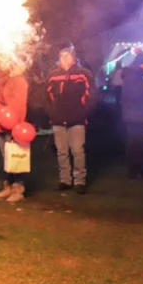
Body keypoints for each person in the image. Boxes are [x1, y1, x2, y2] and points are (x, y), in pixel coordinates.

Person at [46, 42, 95, 194]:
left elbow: (91, 95)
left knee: (77, 151)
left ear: (72, 57)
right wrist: (52, 112)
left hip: (77, 120)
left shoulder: (83, 74)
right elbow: (46, 96)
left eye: (66, 55)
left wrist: (83, 112)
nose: (63, 58)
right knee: (62, 152)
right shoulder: (53, 75)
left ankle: (79, 181)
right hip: (58, 120)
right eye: (61, 55)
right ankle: (65, 180)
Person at [0, 67, 29, 201]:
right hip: (0, 122)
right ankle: (8, 186)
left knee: (16, 156)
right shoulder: (1, 78)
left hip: (13, 123)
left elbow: (15, 102)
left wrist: (17, 124)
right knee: (6, 157)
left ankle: (18, 188)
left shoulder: (19, 81)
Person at [121, 52, 143, 182]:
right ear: (142, 64)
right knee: (138, 144)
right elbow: (139, 98)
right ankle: (137, 170)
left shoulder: (133, 76)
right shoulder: (136, 77)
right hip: (137, 116)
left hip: (133, 115)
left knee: (135, 144)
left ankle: (135, 170)